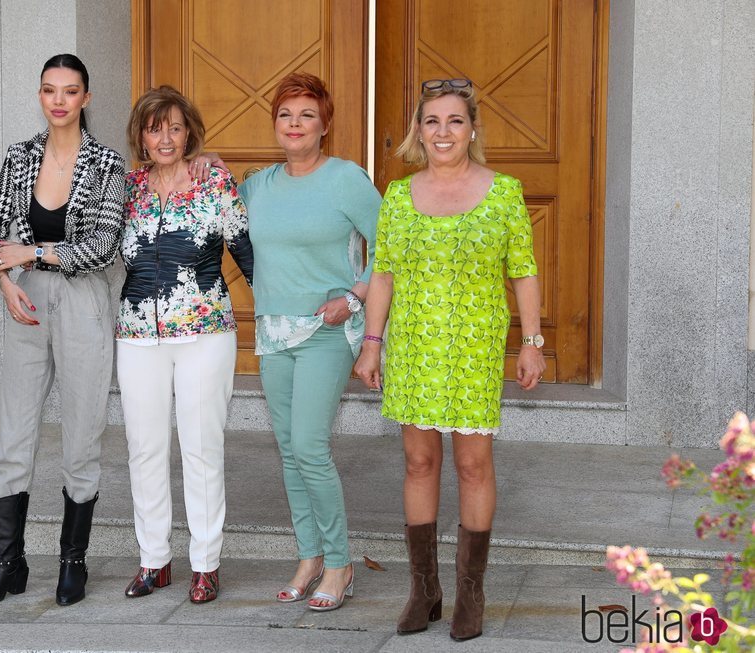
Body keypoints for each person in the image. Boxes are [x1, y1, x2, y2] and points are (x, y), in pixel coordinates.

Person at [354, 78, 545, 640]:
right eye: (432, 122)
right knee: (418, 463)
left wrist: (531, 343)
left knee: (472, 465)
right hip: (414, 347)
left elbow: (523, 272)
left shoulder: (504, 192)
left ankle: (470, 593)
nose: (443, 132)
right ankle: (425, 590)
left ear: (473, 129)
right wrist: (372, 342)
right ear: (419, 130)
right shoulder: (397, 196)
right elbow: (383, 275)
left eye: (454, 121)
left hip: (474, 349)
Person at [0, 54, 124, 608]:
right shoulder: (19, 157)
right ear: (40, 96)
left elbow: (103, 247)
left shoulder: (107, 164)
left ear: (86, 98)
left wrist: (33, 250)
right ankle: (7, 563)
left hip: (83, 303)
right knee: (14, 434)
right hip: (25, 302)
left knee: (82, 433)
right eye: (48, 90)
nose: (58, 100)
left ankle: (72, 562)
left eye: (70, 91)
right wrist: (6, 277)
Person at [236, 72, 382, 612]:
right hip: (273, 332)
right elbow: (214, 207)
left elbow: (391, 246)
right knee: (290, 453)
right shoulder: (258, 186)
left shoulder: (345, 179)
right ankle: (309, 555)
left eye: (306, 115)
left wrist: (358, 295)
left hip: (326, 329)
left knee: (311, 448)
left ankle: (340, 564)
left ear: (324, 125)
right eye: (285, 115)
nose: (294, 125)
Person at [117, 85, 252, 604]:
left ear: (189, 131)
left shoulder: (214, 180)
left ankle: (205, 563)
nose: (165, 137)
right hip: (137, 336)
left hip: (205, 334)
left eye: (175, 126)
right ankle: (154, 560)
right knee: (144, 449)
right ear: (141, 136)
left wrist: (280, 322)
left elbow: (245, 251)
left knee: (200, 448)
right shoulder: (125, 187)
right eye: (155, 128)